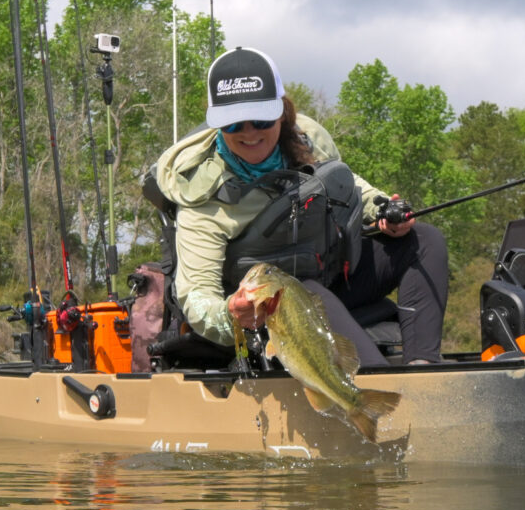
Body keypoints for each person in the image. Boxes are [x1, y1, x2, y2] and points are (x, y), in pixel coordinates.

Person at [150, 47, 449, 366]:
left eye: (261, 119)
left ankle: (422, 368)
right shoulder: (201, 194)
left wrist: (383, 209)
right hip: (268, 311)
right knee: (304, 293)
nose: (249, 133)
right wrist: (231, 314)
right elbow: (197, 300)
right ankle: (372, 394)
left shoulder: (306, 140)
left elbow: (347, 185)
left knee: (424, 240)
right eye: (234, 124)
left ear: (282, 112)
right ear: (218, 125)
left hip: (328, 277)